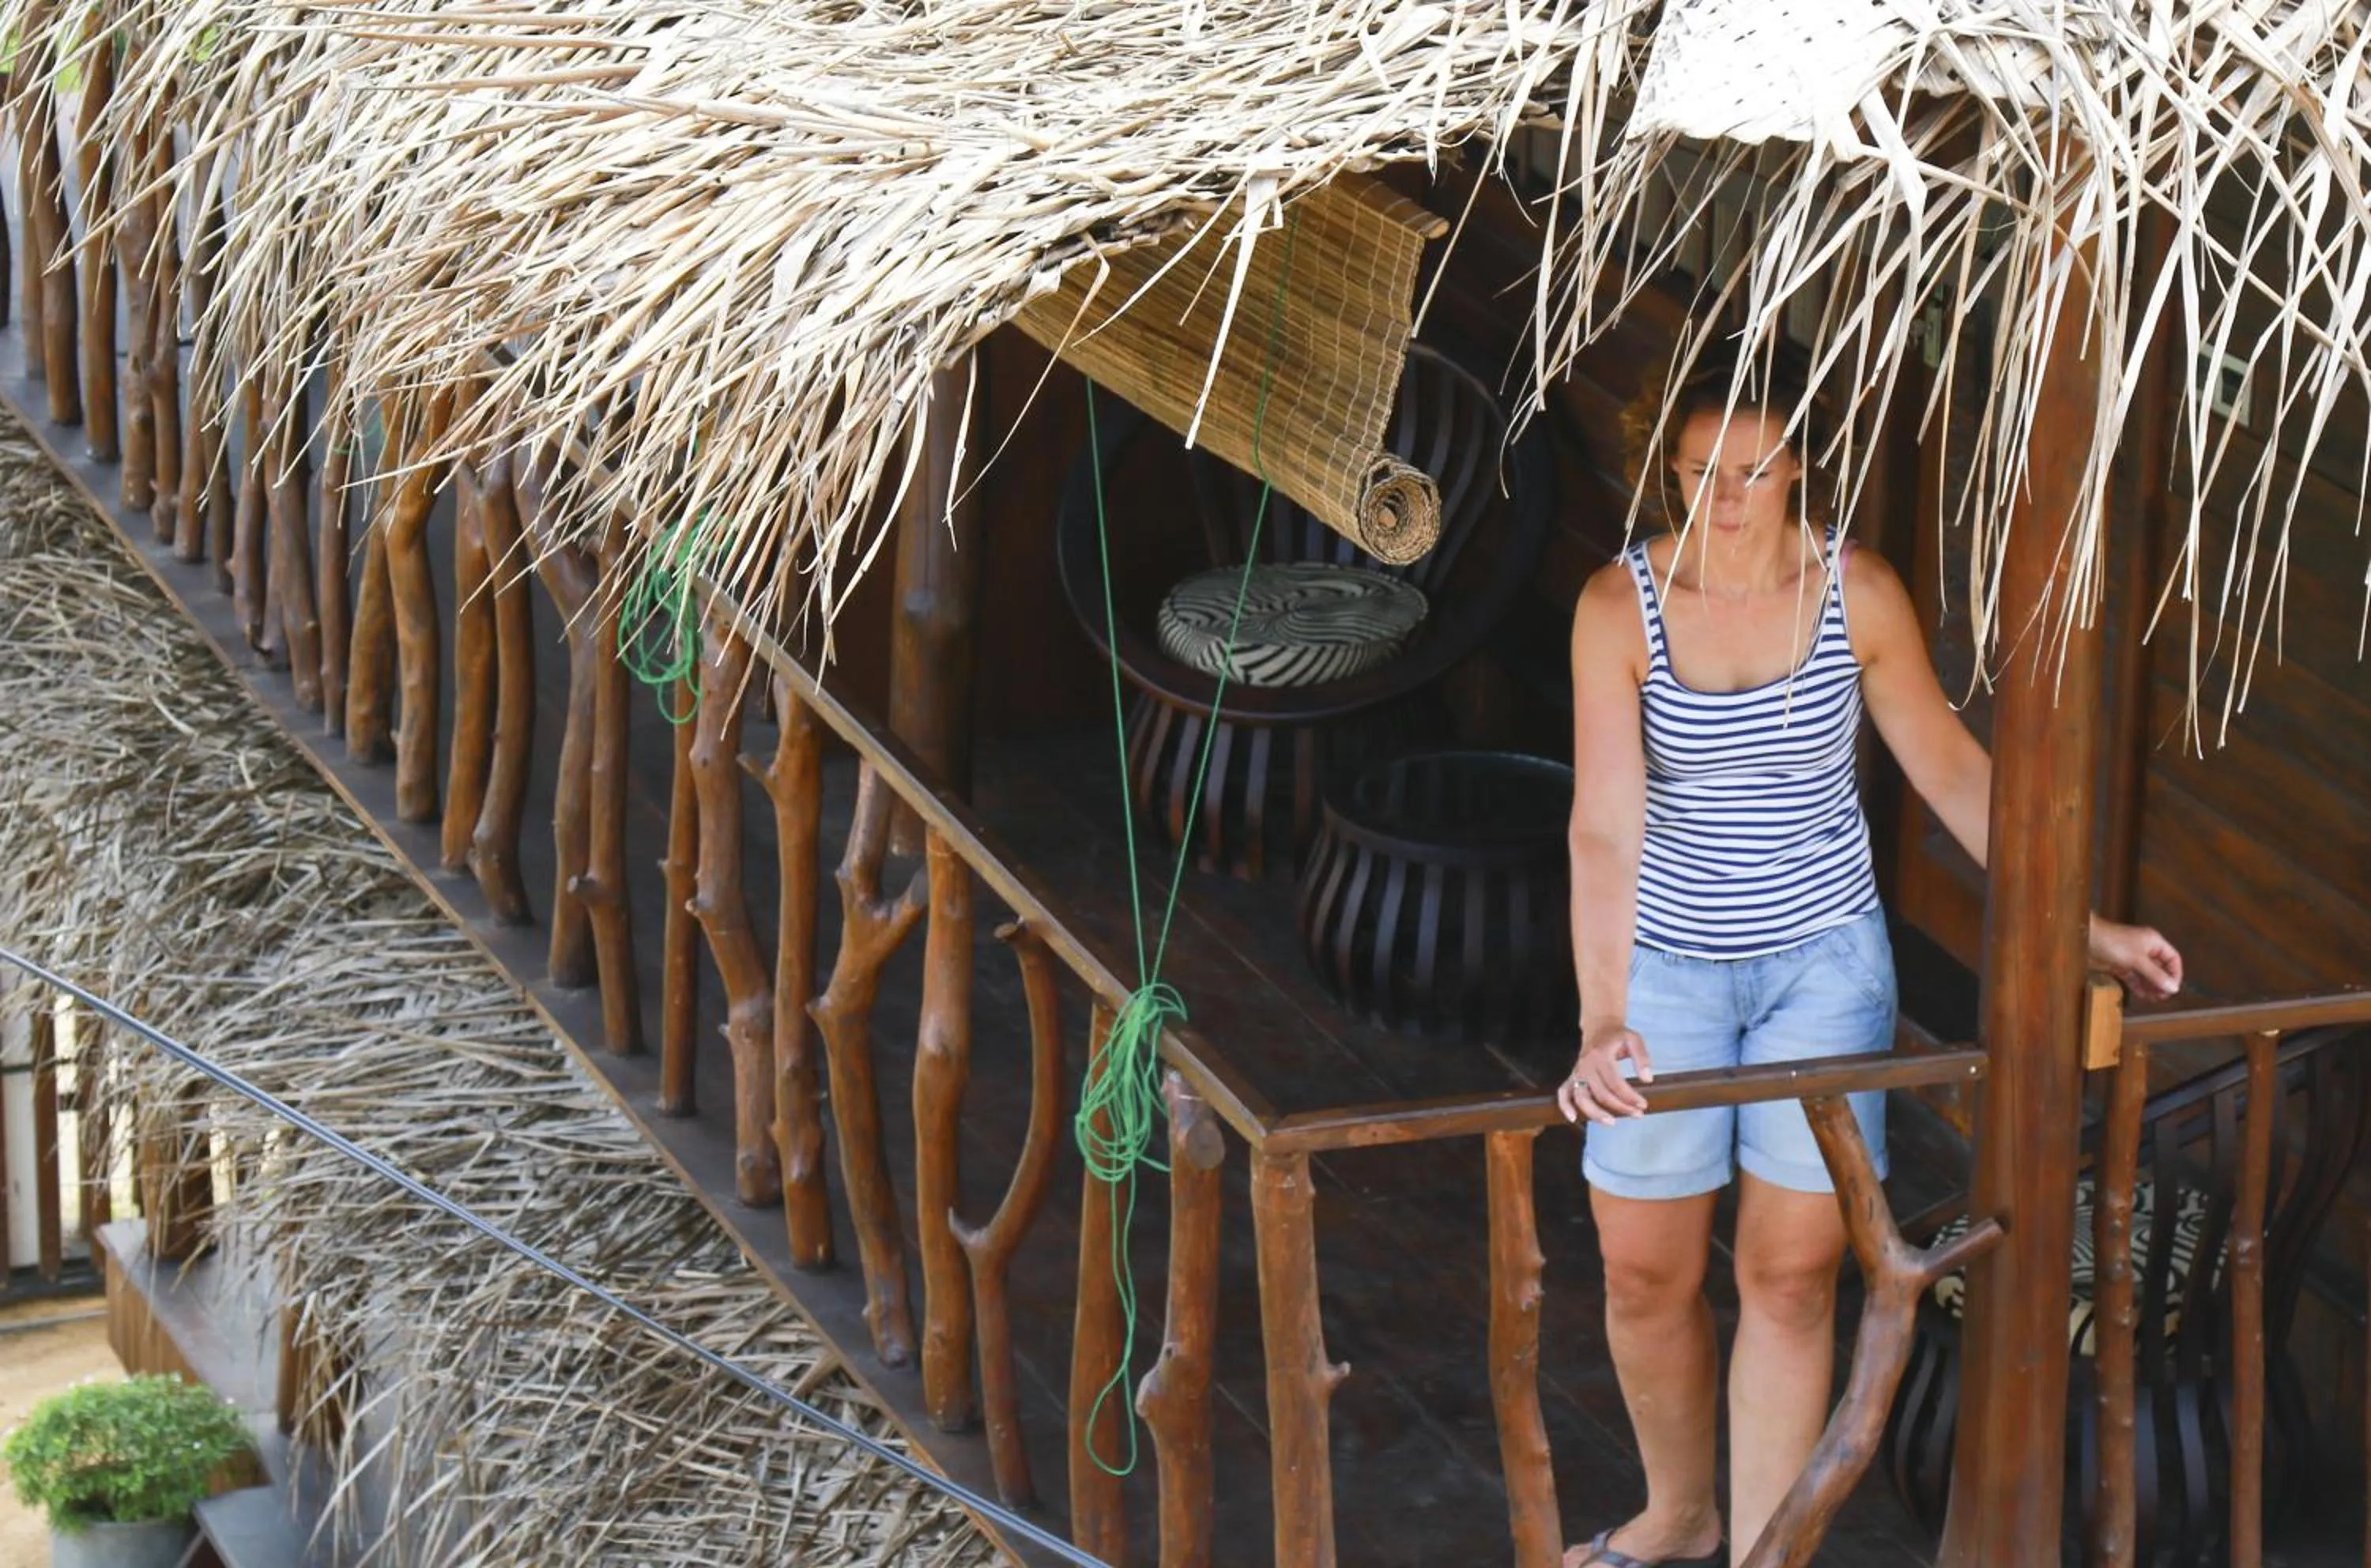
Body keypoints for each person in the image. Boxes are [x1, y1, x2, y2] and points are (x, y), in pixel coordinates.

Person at [1556, 352, 2184, 1568]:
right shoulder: (1615, 606)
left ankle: (1763, 1554)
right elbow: (1604, 820)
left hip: (1819, 964)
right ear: (1665, 470)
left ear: (1801, 471)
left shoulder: (1858, 592)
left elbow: (1949, 770)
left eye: (1753, 473)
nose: (1724, 498)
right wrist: (1600, 1016)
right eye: (1699, 475)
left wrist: (2081, 926)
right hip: (1668, 963)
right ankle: (1680, 1515)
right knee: (1644, 1268)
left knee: (1789, 1276)